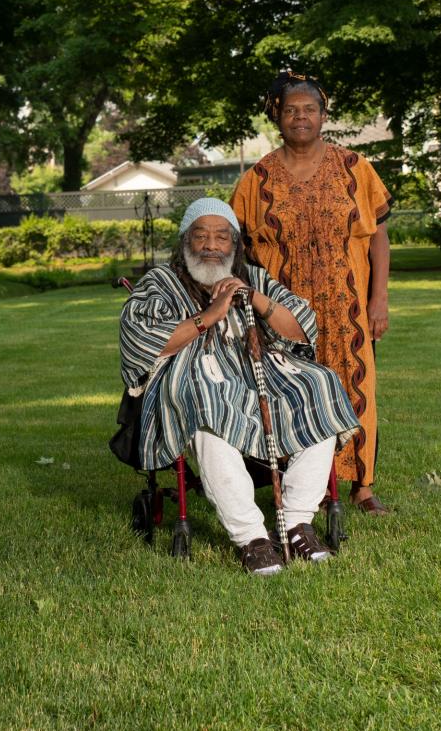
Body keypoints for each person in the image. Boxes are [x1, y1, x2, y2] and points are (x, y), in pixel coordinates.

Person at [119, 197, 359, 575]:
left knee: (320, 383)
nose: (211, 245)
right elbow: (144, 341)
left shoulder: (255, 277)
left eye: (221, 237)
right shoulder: (160, 283)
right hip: (193, 379)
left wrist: (256, 299)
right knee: (205, 398)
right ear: (185, 243)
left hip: (261, 374)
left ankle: (296, 524)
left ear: (235, 244)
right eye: (201, 236)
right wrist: (209, 316)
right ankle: (252, 538)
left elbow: (302, 330)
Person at [231, 70, 392, 514]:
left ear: (323, 115)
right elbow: (236, 250)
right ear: (276, 117)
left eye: (309, 110)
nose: (300, 117)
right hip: (287, 315)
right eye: (291, 110)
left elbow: (378, 235)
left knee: (356, 387)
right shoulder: (254, 181)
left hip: (349, 307)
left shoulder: (355, 169)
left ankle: (361, 486)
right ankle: (309, 487)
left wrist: (379, 299)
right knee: (295, 394)